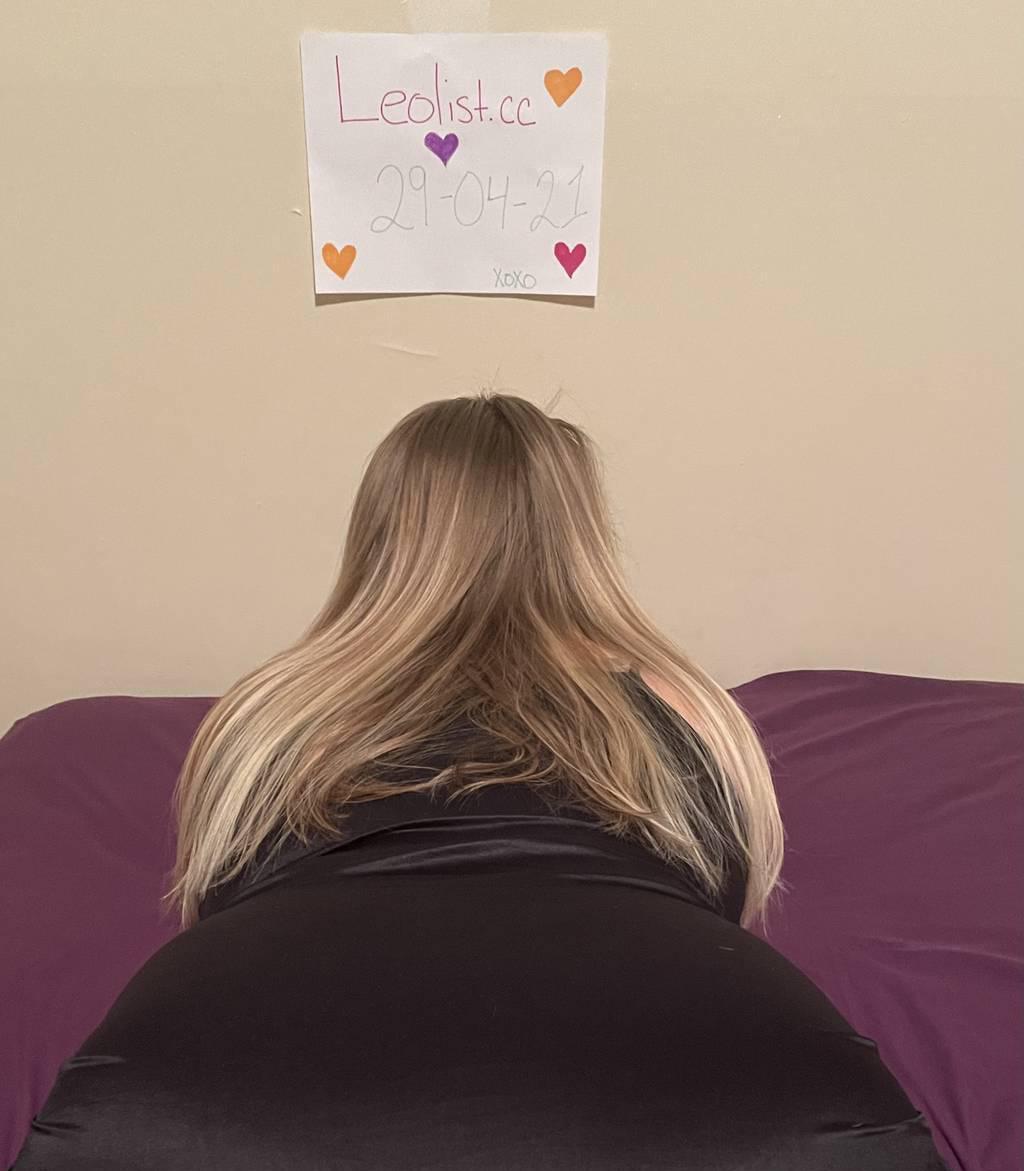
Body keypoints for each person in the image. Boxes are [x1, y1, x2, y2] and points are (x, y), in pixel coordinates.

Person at [13, 394, 947, 1170]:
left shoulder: (269, 711)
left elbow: (214, 898)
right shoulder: (688, 705)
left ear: (382, 529)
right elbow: (726, 903)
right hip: (768, 1111)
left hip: (182, 1108)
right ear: (580, 532)